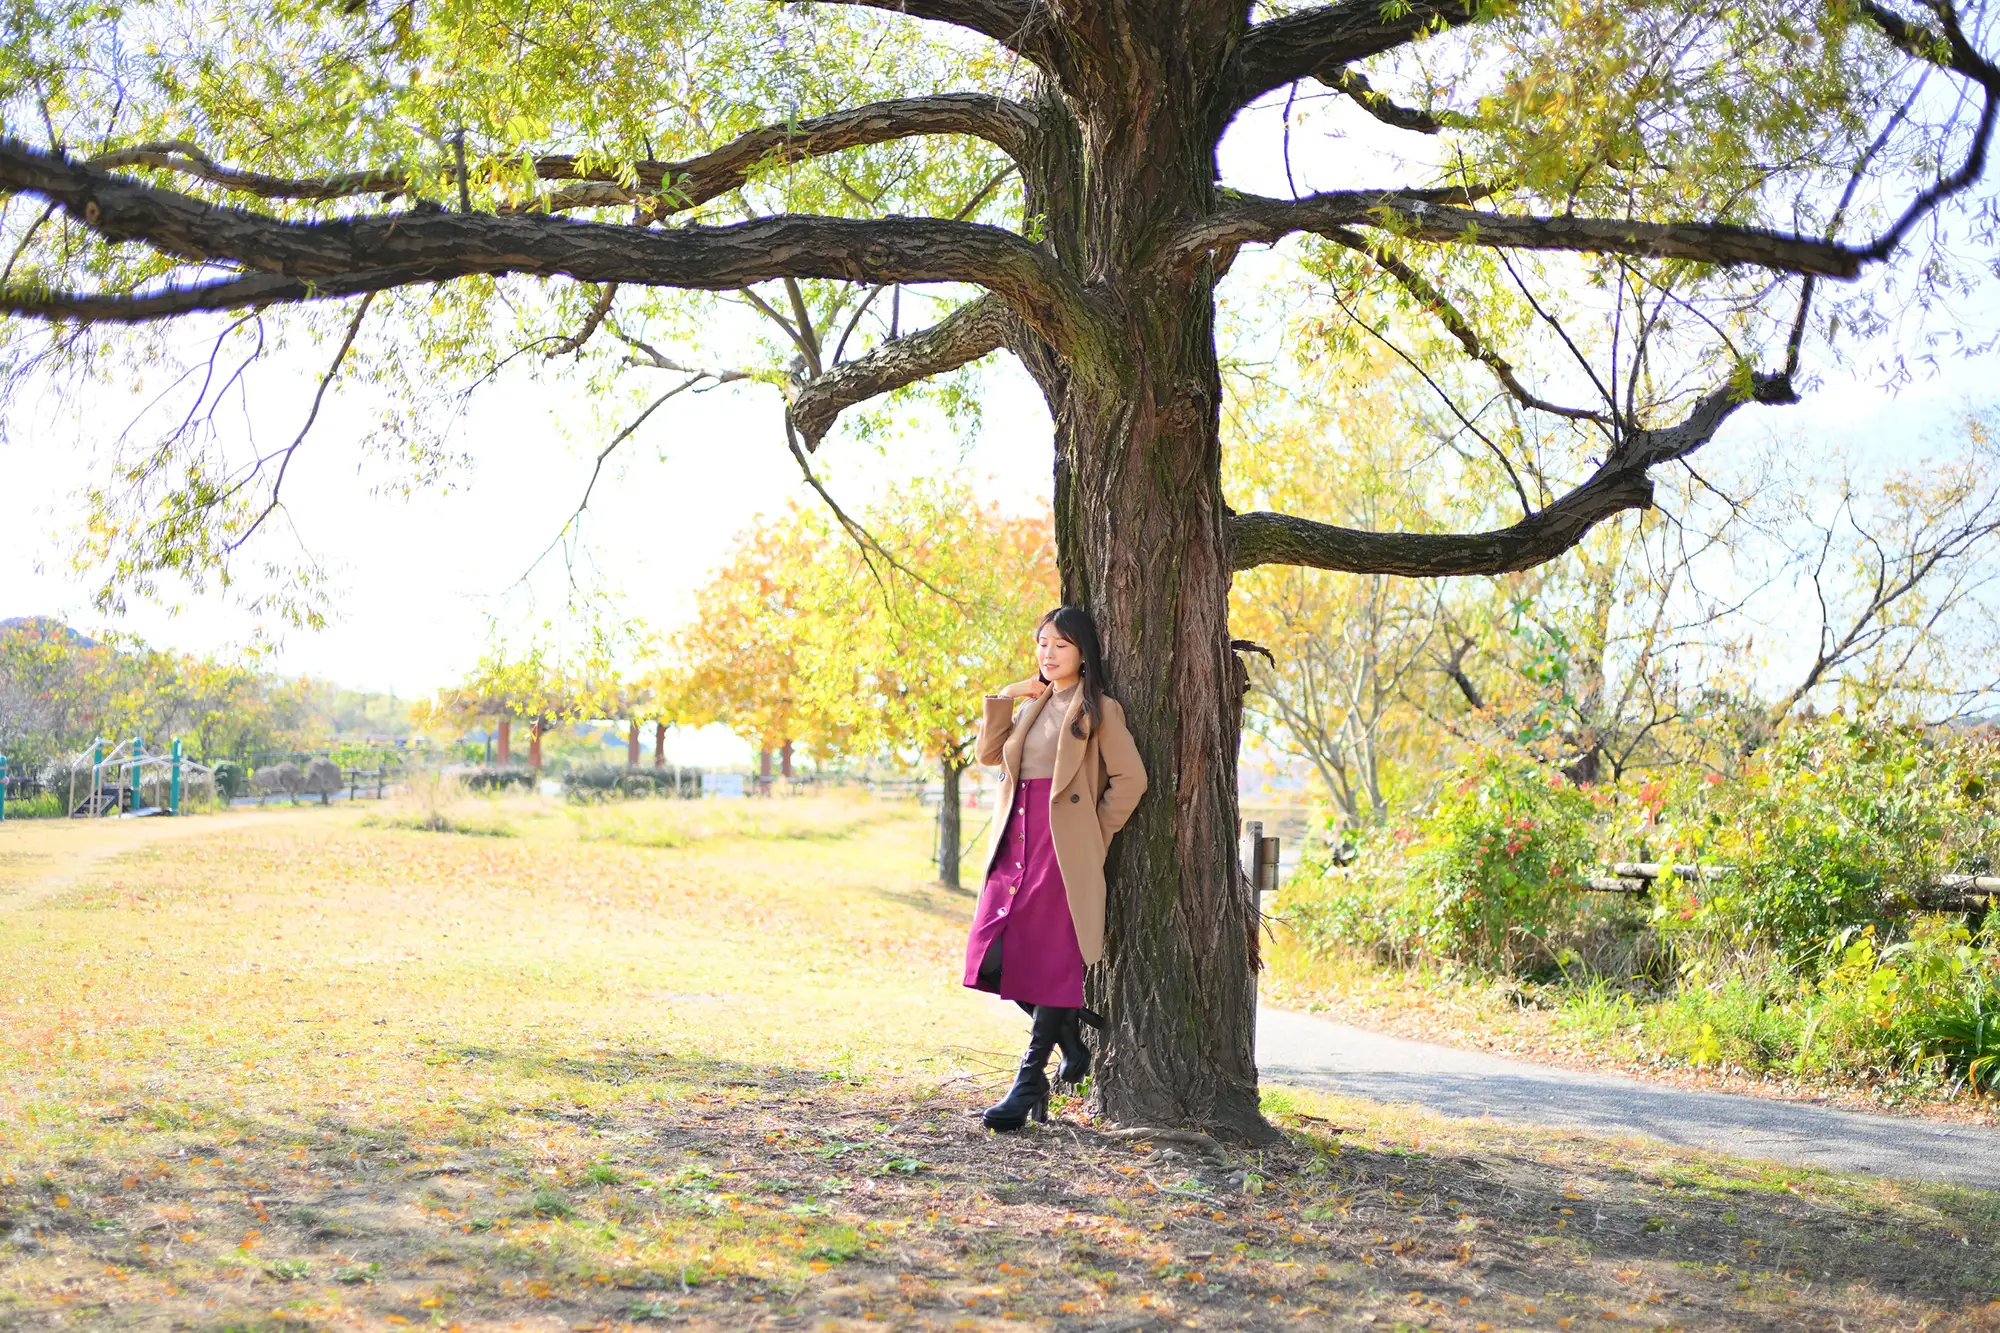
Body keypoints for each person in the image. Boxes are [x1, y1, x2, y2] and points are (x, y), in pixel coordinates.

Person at [966, 606, 1147, 1131]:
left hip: (1061, 846)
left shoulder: (1099, 709)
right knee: (988, 952)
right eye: (1043, 643)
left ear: (1083, 653)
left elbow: (1131, 779)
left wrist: (1094, 832)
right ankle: (1070, 1034)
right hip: (1015, 838)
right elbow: (989, 756)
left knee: (1049, 958)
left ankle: (1028, 1082)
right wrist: (1005, 696)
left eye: (1060, 645)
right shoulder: (1032, 705)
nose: (1048, 653)